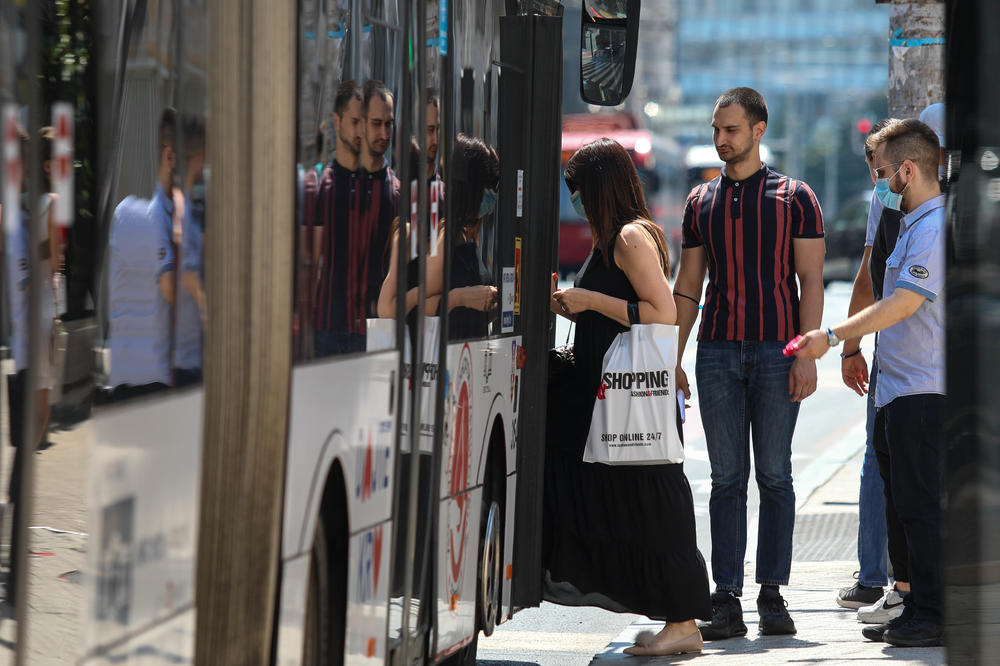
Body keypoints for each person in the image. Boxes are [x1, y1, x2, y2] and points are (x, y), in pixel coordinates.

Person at [544, 138, 711, 658]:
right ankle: (673, 618)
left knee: (651, 500)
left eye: (577, 189)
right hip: (608, 394)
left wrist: (591, 299)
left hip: (627, 396)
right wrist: (572, 307)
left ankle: (683, 622)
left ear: (599, 187)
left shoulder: (629, 237)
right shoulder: (610, 238)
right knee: (625, 498)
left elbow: (662, 313)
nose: (574, 199)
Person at [673, 87, 825, 639]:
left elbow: (811, 281)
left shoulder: (796, 197)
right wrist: (673, 357)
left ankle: (772, 595)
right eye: (716, 129)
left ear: (758, 131)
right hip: (716, 351)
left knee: (776, 476)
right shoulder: (700, 201)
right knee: (725, 480)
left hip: (776, 351)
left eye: (730, 129)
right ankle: (726, 598)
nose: (721, 138)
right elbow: (687, 286)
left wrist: (805, 353)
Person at [792, 118, 946, 648]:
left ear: (908, 170)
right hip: (896, 390)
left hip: (923, 390)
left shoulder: (932, 228)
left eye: (883, 174)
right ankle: (914, 605)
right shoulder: (909, 224)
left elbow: (902, 302)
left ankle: (932, 613)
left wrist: (834, 335)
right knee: (902, 507)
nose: (879, 184)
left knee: (921, 507)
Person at [835, 118, 898, 613]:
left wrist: (849, 347)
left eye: (881, 171)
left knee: (880, 459)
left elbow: (866, 279)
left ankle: (877, 577)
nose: (879, 181)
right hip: (921, 355)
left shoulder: (889, 201)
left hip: (901, 356)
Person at [106, 108, 176, 396]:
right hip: (149, 383)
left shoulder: (126, 214)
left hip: (130, 377)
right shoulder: (142, 218)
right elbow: (171, 289)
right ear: (170, 158)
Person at [174, 117, 206, 385]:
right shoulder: (188, 213)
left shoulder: (179, 205)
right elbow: (190, 279)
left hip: (184, 353)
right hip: (192, 356)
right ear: (198, 159)